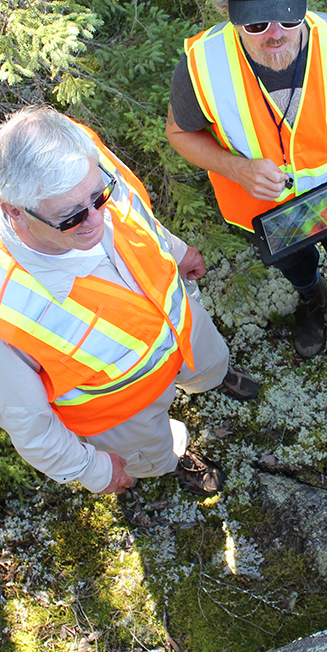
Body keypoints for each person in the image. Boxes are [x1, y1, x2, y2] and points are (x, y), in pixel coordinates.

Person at [0, 107, 261, 497]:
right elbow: (29, 423)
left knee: (210, 361)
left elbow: (137, 212)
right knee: (150, 454)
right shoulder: (8, 305)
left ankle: (212, 379)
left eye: (98, 197)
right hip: (122, 413)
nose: (95, 219)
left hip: (183, 327)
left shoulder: (85, 156)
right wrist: (93, 471)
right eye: (70, 218)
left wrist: (175, 249)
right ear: (14, 211)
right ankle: (173, 460)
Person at [166, 0, 327, 382]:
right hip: (269, 210)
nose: (274, 35)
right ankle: (313, 299)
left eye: (289, 16)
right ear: (230, 14)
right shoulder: (201, 65)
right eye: (255, 23)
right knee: (296, 267)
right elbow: (179, 132)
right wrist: (237, 169)